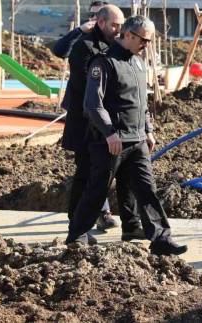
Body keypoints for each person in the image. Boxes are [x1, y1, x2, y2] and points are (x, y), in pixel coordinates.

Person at [66, 16, 187, 256]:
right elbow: (93, 104)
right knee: (98, 189)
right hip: (111, 142)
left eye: (150, 40)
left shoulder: (139, 63)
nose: (147, 44)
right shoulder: (104, 63)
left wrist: (149, 130)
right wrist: (110, 133)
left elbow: (142, 103)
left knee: (146, 189)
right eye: (144, 39)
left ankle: (161, 238)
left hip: (138, 140)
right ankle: (77, 235)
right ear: (129, 35)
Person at [60, 5, 142, 240]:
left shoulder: (117, 48)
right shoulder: (84, 48)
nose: (118, 29)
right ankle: (77, 226)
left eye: (121, 25)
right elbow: (95, 91)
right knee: (86, 173)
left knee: (122, 175)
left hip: (112, 123)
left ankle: (126, 223)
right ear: (101, 23)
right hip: (86, 124)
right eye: (115, 25)